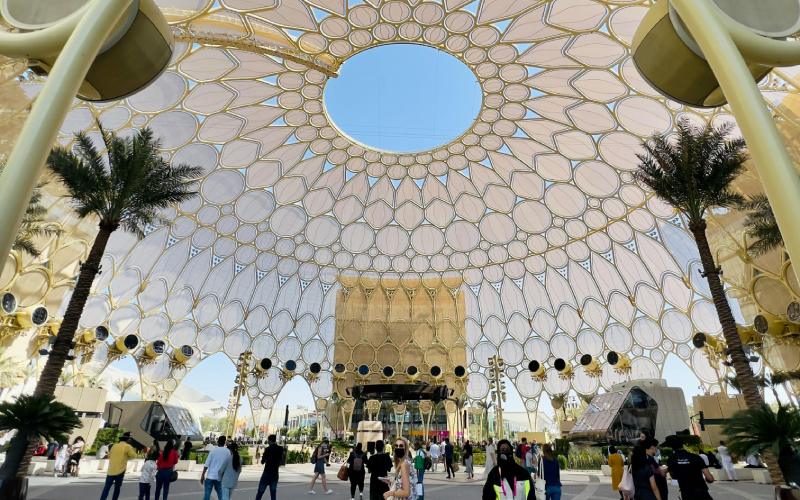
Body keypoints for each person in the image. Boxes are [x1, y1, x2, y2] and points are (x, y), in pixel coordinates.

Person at [664, 435, 714, 500]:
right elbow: (710, 478)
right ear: (682, 444)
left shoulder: (671, 459)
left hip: (686, 493)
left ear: (670, 446)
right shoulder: (695, 457)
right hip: (701, 491)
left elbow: (674, 476)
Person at [99, 432, 137, 500]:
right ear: (127, 440)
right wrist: (127, 456)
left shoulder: (114, 446)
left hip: (111, 470)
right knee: (117, 488)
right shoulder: (127, 447)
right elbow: (134, 456)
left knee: (106, 488)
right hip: (120, 471)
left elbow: (109, 456)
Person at [202, 436, 231, 500]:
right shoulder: (227, 452)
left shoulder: (213, 451)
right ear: (224, 442)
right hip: (220, 477)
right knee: (221, 494)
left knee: (207, 494)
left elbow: (207, 464)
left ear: (218, 442)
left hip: (210, 476)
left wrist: (203, 475)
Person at [256, 434, 284, 500]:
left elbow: (262, 462)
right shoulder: (280, 449)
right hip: (275, 473)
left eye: (268, 441)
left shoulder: (268, 449)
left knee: (260, 492)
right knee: (273, 493)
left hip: (267, 473)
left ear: (270, 441)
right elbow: (281, 461)